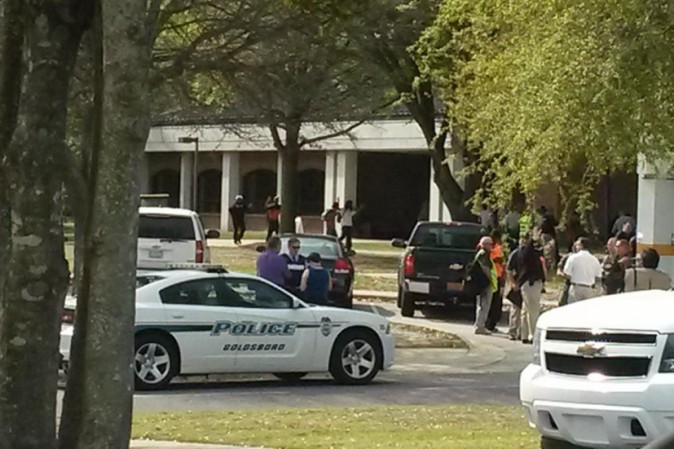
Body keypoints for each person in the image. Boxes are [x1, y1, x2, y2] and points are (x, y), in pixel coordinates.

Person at [516, 235, 546, 344]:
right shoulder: (528, 253)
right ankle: (533, 334)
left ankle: (524, 334)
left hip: (528, 283)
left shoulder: (523, 253)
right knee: (533, 309)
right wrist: (533, 239)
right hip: (531, 283)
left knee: (525, 309)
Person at [563, 237, 602, 303]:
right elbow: (598, 276)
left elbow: (566, 273)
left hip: (576, 288)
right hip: (589, 288)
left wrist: (574, 277)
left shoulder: (573, 257)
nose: (576, 247)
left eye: (577, 245)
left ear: (581, 245)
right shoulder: (595, 259)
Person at [472, 236, 497, 335]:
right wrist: (490, 280)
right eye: (490, 244)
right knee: (484, 305)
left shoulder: (481, 253)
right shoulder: (483, 254)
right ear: (485, 245)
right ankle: (480, 326)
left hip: (481, 283)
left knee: (481, 305)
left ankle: (479, 325)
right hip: (484, 283)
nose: (492, 246)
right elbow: (486, 268)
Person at [486, 230, 506, 333]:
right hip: (495, 277)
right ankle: (490, 324)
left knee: (492, 301)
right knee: (494, 302)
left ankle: (489, 323)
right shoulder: (496, 248)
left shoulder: (487, 247)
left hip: (493, 276)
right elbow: (499, 261)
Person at [505, 239, 526, 341]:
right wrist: (513, 283)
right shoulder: (516, 254)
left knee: (524, 310)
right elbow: (509, 269)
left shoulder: (531, 253)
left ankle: (522, 333)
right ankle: (512, 331)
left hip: (527, 284)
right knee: (515, 309)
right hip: (517, 283)